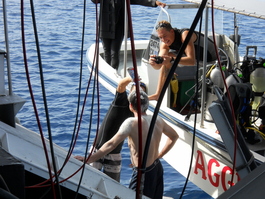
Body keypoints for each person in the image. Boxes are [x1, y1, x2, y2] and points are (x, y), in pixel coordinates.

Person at [80, 90, 179, 199]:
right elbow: (174, 136)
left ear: (131, 106)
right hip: (157, 168)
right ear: (146, 104)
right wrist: (159, 155)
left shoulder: (131, 123)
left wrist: (89, 159)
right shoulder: (158, 120)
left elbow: (111, 144)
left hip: (143, 173)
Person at [75, 76, 147, 182]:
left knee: (113, 184)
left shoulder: (136, 115)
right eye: (135, 91)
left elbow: (132, 139)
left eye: (141, 92)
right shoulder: (121, 101)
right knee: (89, 181)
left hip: (115, 153)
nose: (137, 94)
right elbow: (121, 85)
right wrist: (131, 79)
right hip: (98, 150)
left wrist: (134, 157)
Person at [92, 0, 166, 74]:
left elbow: (139, 1)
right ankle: (107, 73)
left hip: (119, 27)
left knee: (114, 53)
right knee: (106, 52)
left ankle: (113, 73)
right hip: (105, 25)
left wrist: (154, 2)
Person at [148, 20, 217, 100]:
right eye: (160, 37)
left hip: (211, 60)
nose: (163, 40)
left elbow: (191, 61)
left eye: (165, 36)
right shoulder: (164, 43)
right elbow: (160, 65)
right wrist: (153, 63)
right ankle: (158, 95)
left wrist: (171, 60)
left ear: (172, 31)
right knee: (166, 57)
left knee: (169, 57)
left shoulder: (185, 35)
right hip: (197, 60)